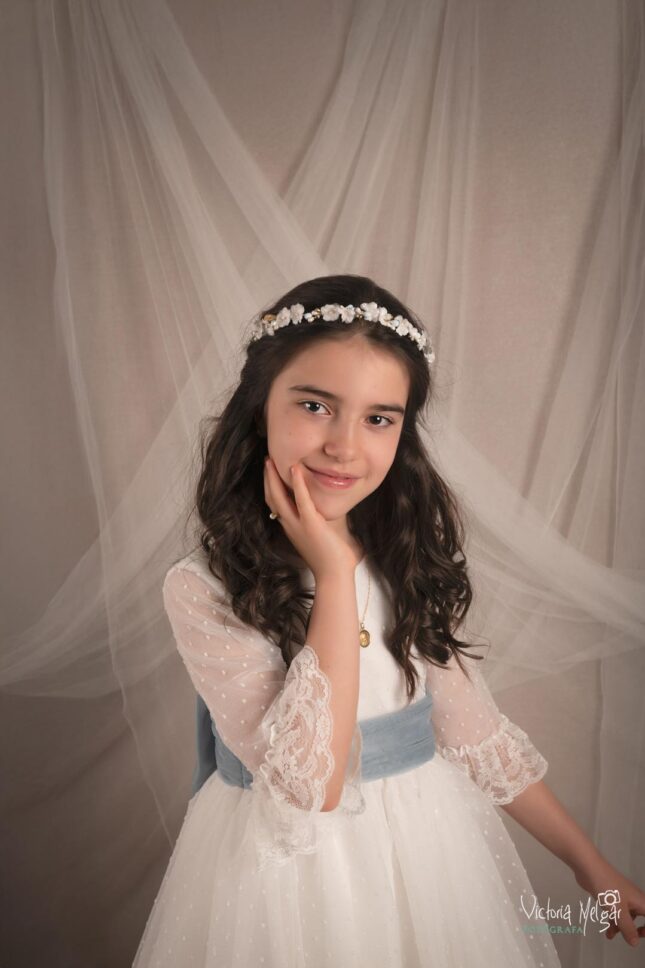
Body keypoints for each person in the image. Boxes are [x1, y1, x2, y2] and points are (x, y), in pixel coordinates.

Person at [133, 275, 644, 966]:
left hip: (420, 844)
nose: (344, 446)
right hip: (286, 874)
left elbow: (472, 729)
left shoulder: (402, 559)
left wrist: (590, 866)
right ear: (259, 409)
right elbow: (311, 791)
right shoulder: (204, 588)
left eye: (379, 418)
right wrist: (334, 576)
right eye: (315, 405)